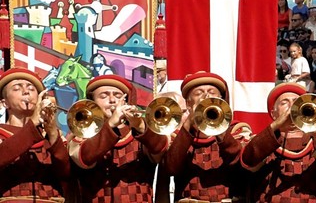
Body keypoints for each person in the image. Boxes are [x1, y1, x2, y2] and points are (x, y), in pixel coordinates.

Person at [68, 74, 169, 202]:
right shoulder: (81, 134)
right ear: (92, 103)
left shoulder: (141, 131)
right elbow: (84, 158)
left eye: (117, 95)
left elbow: (160, 148)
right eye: (104, 96)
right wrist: (111, 124)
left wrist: (140, 126)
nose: (112, 100)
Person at [161, 71, 252, 203]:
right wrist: (188, 125)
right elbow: (171, 168)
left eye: (212, 92)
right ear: (188, 103)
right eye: (198, 93)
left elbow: (242, 163)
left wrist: (220, 129)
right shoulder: (178, 136)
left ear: (221, 99)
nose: (205, 96)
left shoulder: (237, 130)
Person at [0, 68, 71, 202]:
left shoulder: (52, 135)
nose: (26, 91)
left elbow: (66, 173)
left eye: (31, 89)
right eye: (17, 88)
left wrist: (52, 133)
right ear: (5, 103)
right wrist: (33, 124)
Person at [241, 82, 316, 202]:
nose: (292, 106)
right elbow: (248, 160)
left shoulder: (315, 139)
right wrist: (277, 125)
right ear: (273, 113)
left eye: (296, 101)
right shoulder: (264, 142)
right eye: (284, 103)